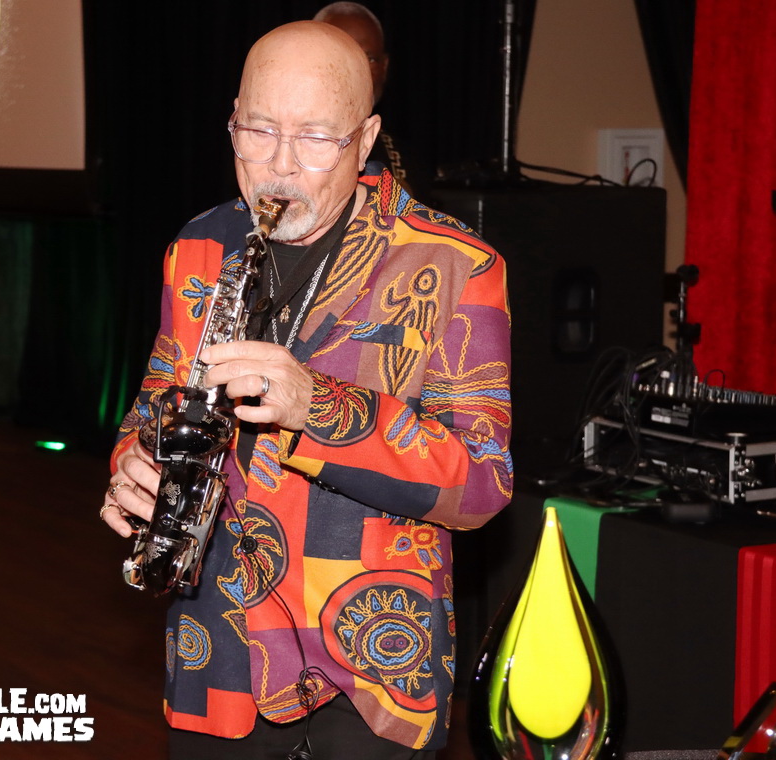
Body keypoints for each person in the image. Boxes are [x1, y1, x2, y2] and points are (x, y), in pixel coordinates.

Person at [101, 20, 512, 759]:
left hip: (370, 668)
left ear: (365, 137)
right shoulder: (198, 246)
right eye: (257, 131)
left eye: (317, 138)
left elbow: (481, 486)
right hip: (215, 658)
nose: (278, 168)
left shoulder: (458, 266)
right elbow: (157, 399)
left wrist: (315, 406)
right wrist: (134, 459)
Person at [313, 2, 423, 197]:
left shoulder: (408, 159)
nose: (358, 72)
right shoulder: (276, 154)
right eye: (341, 57)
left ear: (384, 67)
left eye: (369, 59)